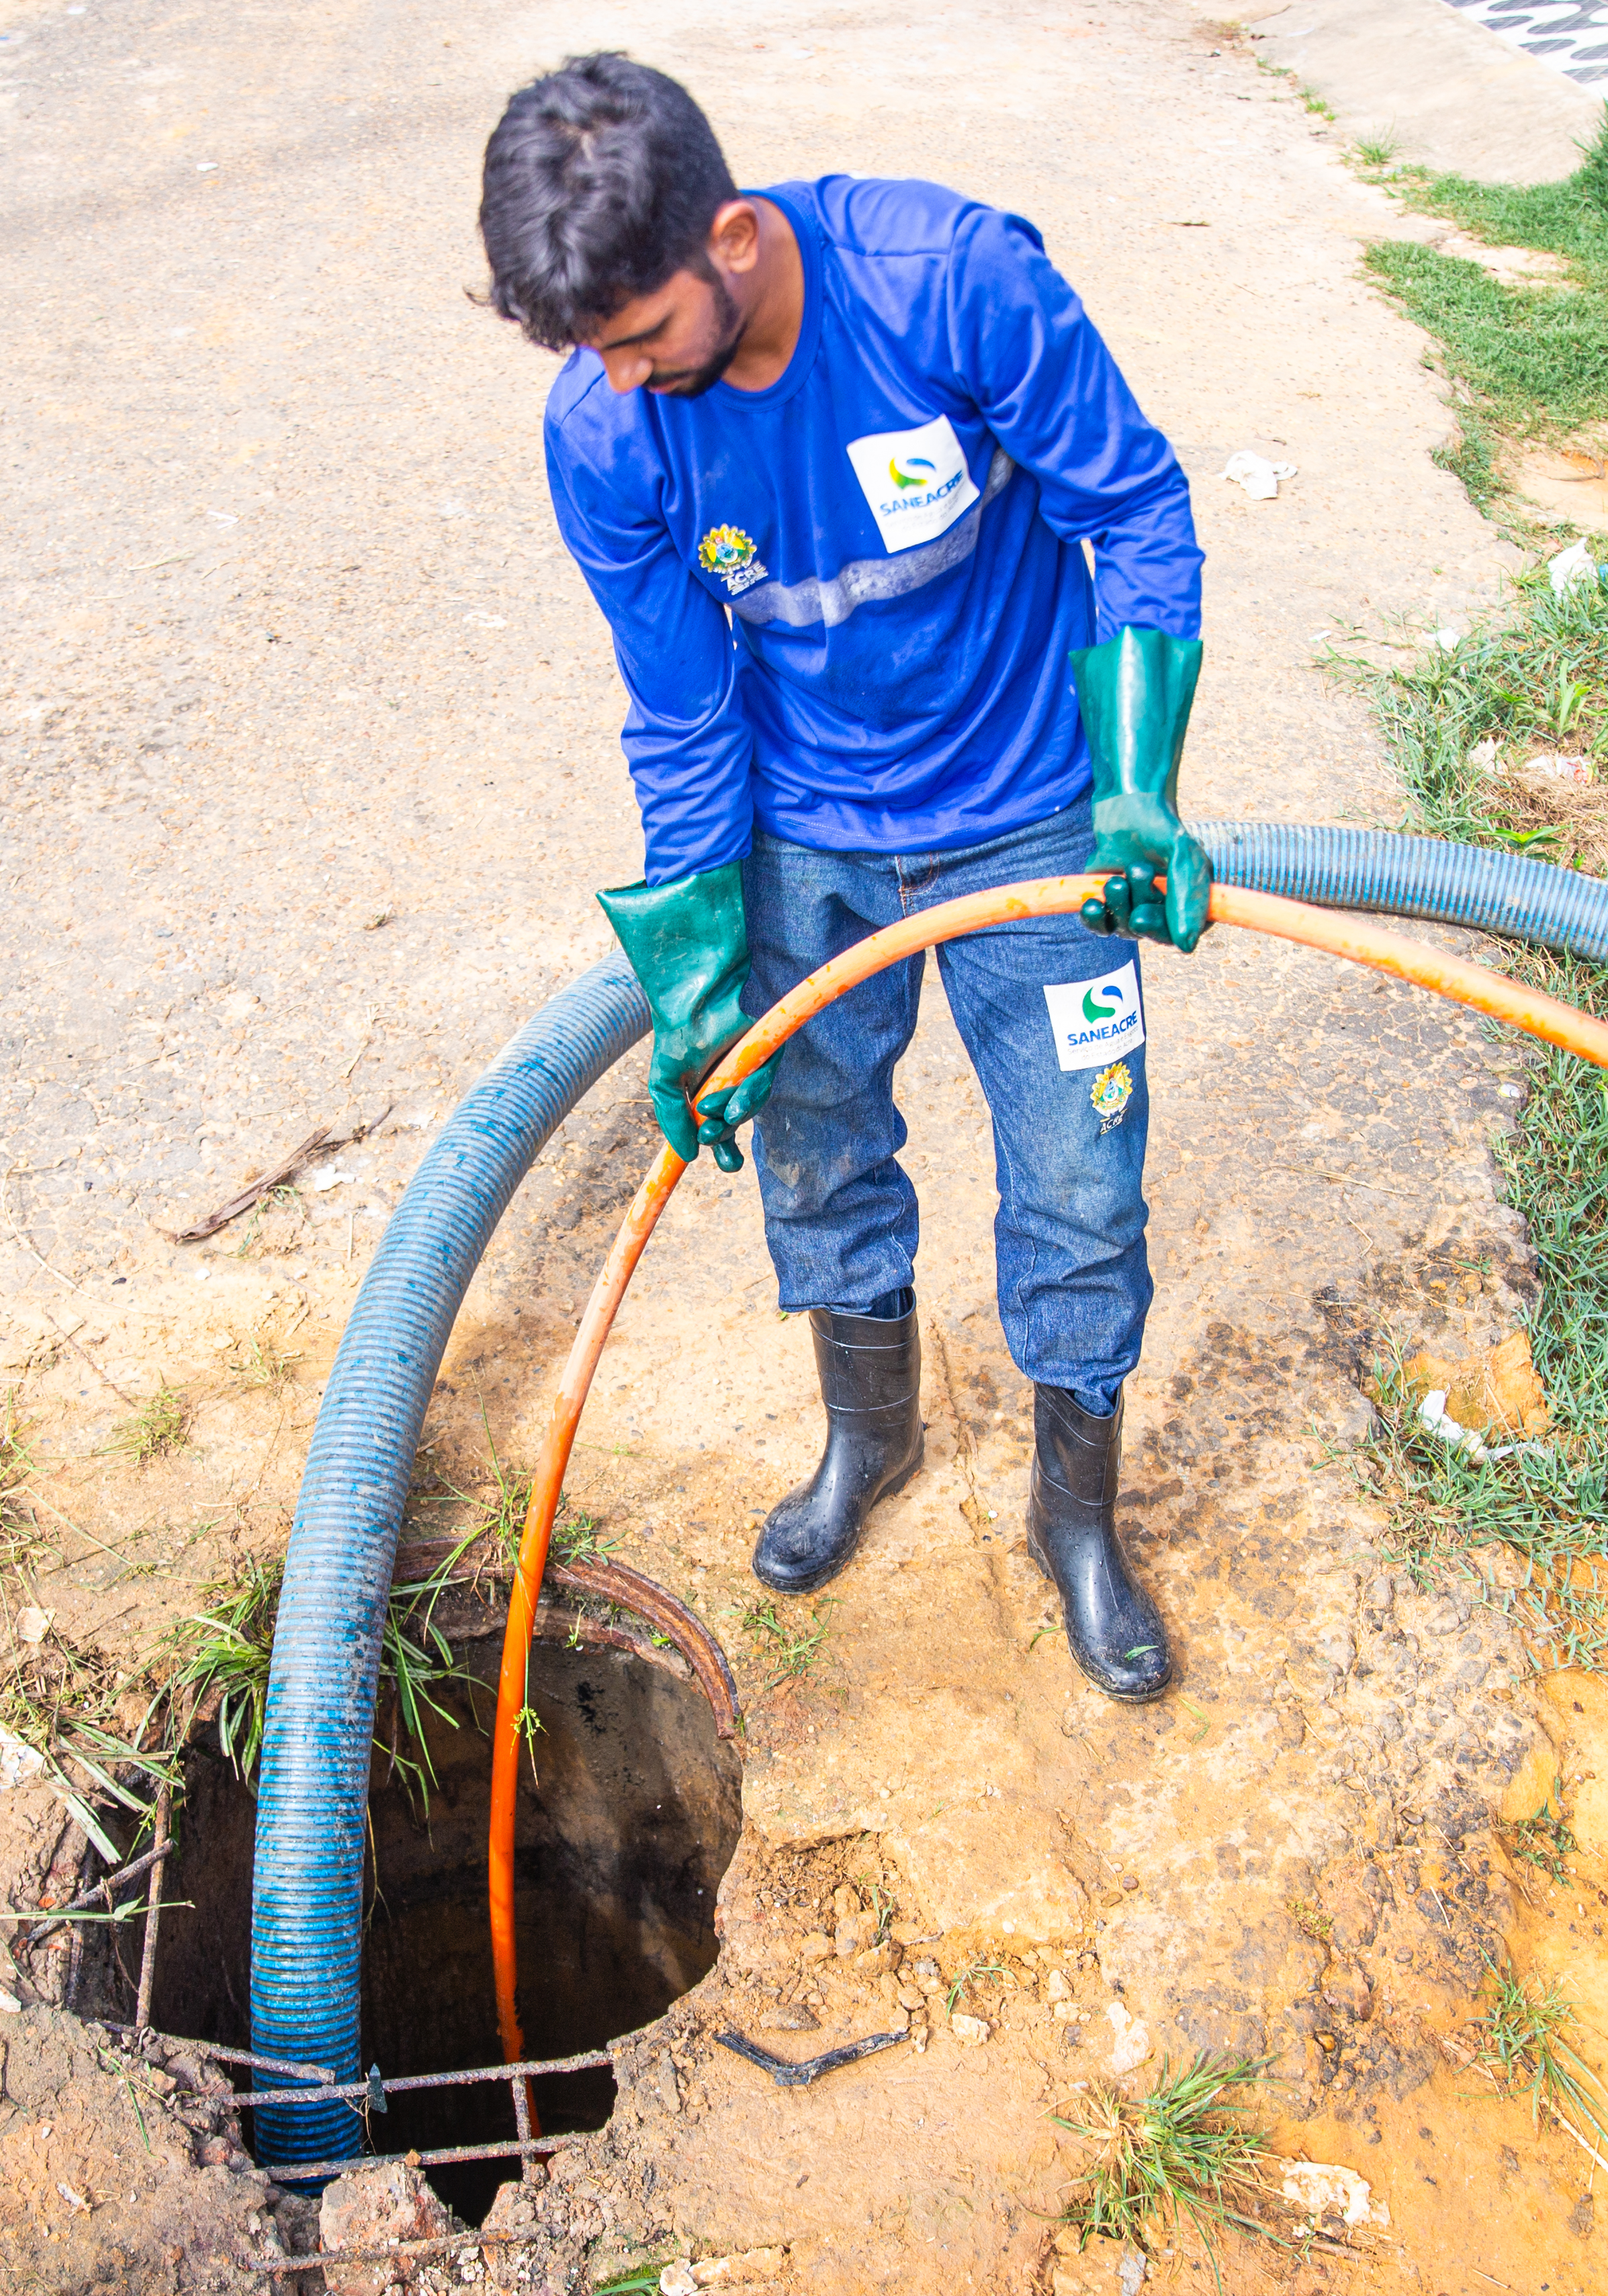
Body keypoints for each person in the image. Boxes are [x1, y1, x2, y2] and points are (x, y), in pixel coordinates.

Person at [478, 54, 1210, 1702]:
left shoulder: (947, 285)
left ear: (729, 235)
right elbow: (678, 707)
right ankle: (864, 1439)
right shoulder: (610, 430)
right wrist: (694, 972)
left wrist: (1137, 787)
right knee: (814, 1149)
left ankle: (1072, 1519)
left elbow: (1138, 512)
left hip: (1032, 811)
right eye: (591, 355)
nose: (625, 381)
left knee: (1083, 1173)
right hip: (807, 828)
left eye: (642, 335)